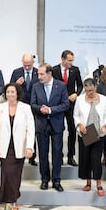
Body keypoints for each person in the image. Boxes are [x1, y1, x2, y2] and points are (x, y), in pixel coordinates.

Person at [0, 83, 35, 210]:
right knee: (7, 174)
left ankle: (14, 199)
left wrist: (29, 147)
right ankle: (8, 203)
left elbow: (30, 128)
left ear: (17, 93)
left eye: (13, 92)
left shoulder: (25, 108)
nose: (10, 94)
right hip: (5, 147)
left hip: (20, 147)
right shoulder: (0, 108)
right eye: (8, 92)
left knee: (15, 175)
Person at [31, 63, 69, 192]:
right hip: (42, 125)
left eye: (41, 74)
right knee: (42, 154)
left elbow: (65, 105)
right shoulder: (36, 86)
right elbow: (33, 104)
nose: (39, 76)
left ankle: (56, 180)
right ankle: (44, 180)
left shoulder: (61, 86)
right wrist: (40, 109)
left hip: (56, 124)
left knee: (57, 154)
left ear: (49, 74)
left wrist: (51, 110)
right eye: (38, 74)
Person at [74, 78, 106, 196]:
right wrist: (79, 125)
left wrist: (105, 126)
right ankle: (88, 182)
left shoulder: (104, 99)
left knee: (96, 158)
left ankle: (98, 183)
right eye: (86, 90)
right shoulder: (80, 99)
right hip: (86, 133)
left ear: (95, 87)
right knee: (86, 158)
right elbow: (76, 115)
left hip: (98, 133)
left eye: (90, 90)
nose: (88, 92)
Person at [52, 50, 83, 166]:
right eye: (69, 60)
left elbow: (80, 85)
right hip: (58, 105)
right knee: (58, 130)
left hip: (71, 105)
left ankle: (71, 156)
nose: (71, 62)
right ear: (63, 59)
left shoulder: (75, 70)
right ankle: (58, 156)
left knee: (72, 130)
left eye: (72, 60)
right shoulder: (54, 70)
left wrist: (76, 93)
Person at [9, 53, 39, 166]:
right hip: (20, 106)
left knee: (33, 130)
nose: (27, 67)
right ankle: (19, 153)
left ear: (33, 63)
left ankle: (32, 156)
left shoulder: (37, 72)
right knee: (19, 130)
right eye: (25, 65)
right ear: (22, 62)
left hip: (34, 106)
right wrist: (16, 84)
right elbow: (10, 87)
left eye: (29, 65)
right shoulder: (16, 72)